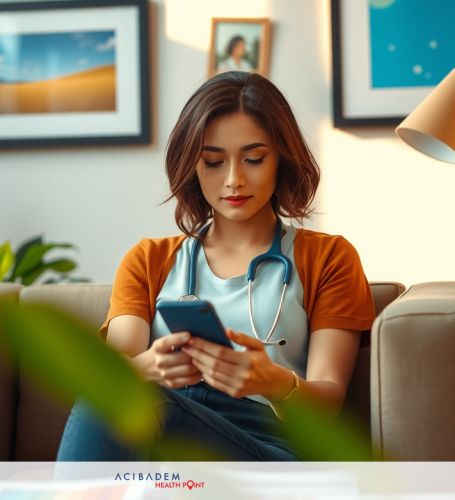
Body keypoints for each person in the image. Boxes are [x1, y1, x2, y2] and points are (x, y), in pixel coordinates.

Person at [56, 72, 376, 462]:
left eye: (254, 159)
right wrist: (151, 366)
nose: (234, 180)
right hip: (167, 445)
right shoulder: (148, 260)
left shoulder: (329, 258)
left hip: (270, 452)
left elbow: (328, 403)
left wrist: (272, 381)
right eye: (212, 162)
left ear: (281, 161)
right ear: (192, 165)